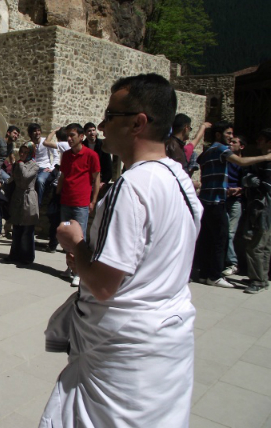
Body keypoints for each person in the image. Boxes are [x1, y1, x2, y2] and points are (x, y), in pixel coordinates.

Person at [40, 73, 203, 428]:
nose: (101, 125)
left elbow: (103, 285)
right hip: (165, 347)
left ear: (137, 123)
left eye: (109, 116)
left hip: (122, 358)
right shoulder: (181, 180)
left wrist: (75, 243)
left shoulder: (131, 186)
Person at [195, 121, 271, 288]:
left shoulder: (207, 152)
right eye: (228, 134)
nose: (231, 137)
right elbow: (241, 162)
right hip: (216, 200)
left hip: (205, 200)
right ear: (218, 135)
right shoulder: (221, 150)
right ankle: (215, 276)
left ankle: (204, 273)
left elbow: (199, 159)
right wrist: (266, 157)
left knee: (207, 238)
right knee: (221, 239)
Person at [56, 123, 101, 286]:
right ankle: (70, 266)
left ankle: (80, 271)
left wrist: (93, 201)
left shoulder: (91, 155)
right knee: (67, 235)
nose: (69, 138)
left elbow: (96, 179)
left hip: (81, 204)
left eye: (72, 135)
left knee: (79, 238)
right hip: (66, 202)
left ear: (81, 137)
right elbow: (63, 176)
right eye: (67, 135)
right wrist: (57, 194)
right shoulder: (67, 155)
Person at [241, 129, 271, 294]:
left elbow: (265, 186)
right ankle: (262, 278)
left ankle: (257, 281)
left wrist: (250, 180)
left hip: (263, 209)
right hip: (264, 208)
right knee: (264, 246)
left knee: (255, 245)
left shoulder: (268, 163)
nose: (258, 142)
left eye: (261, 139)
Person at [7, 142, 39, 265]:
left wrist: (19, 164)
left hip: (28, 198)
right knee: (17, 228)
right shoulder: (17, 164)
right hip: (18, 196)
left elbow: (26, 176)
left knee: (27, 229)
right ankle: (14, 254)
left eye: (26, 152)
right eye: (21, 151)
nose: (22, 154)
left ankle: (27, 256)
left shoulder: (34, 166)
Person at [224, 135, 245, 275]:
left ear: (241, 146)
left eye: (234, 142)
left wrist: (239, 190)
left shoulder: (244, 163)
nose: (231, 144)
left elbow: (247, 183)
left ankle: (233, 263)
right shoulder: (225, 160)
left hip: (236, 201)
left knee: (230, 233)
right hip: (224, 198)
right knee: (224, 232)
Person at [28, 123, 55, 204]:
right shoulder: (29, 144)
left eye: (39, 130)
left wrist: (52, 167)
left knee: (40, 181)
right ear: (30, 133)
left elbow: (56, 156)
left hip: (44, 167)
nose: (37, 133)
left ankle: (38, 206)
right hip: (33, 167)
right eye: (35, 131)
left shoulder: (46, 142)